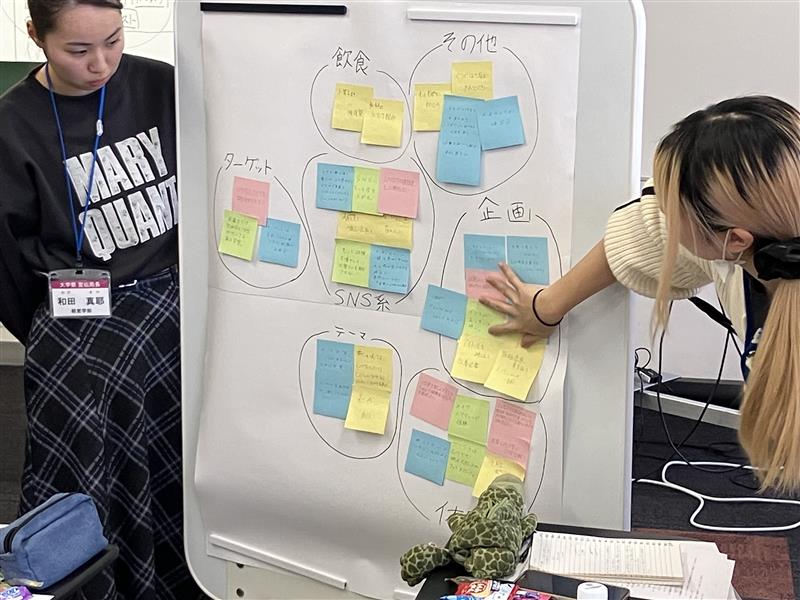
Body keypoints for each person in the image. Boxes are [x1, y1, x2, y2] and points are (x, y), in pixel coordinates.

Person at [482, 95, 800, 493]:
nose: (659, 210)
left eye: (671, 209)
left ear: (735, 240)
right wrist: (545, 307)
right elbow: (639, 235)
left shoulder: (736, 247)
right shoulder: (744, 247)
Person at [0, 1, 204, 598]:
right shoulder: (12, 126)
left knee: (184, 472)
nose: (101, 64)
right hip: (79, 327)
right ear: (35, 35)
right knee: (82, 469)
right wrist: (52, 326)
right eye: (78, 50)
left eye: (113, 41)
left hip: (172, 305)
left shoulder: (160, 84)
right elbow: (8, 266)